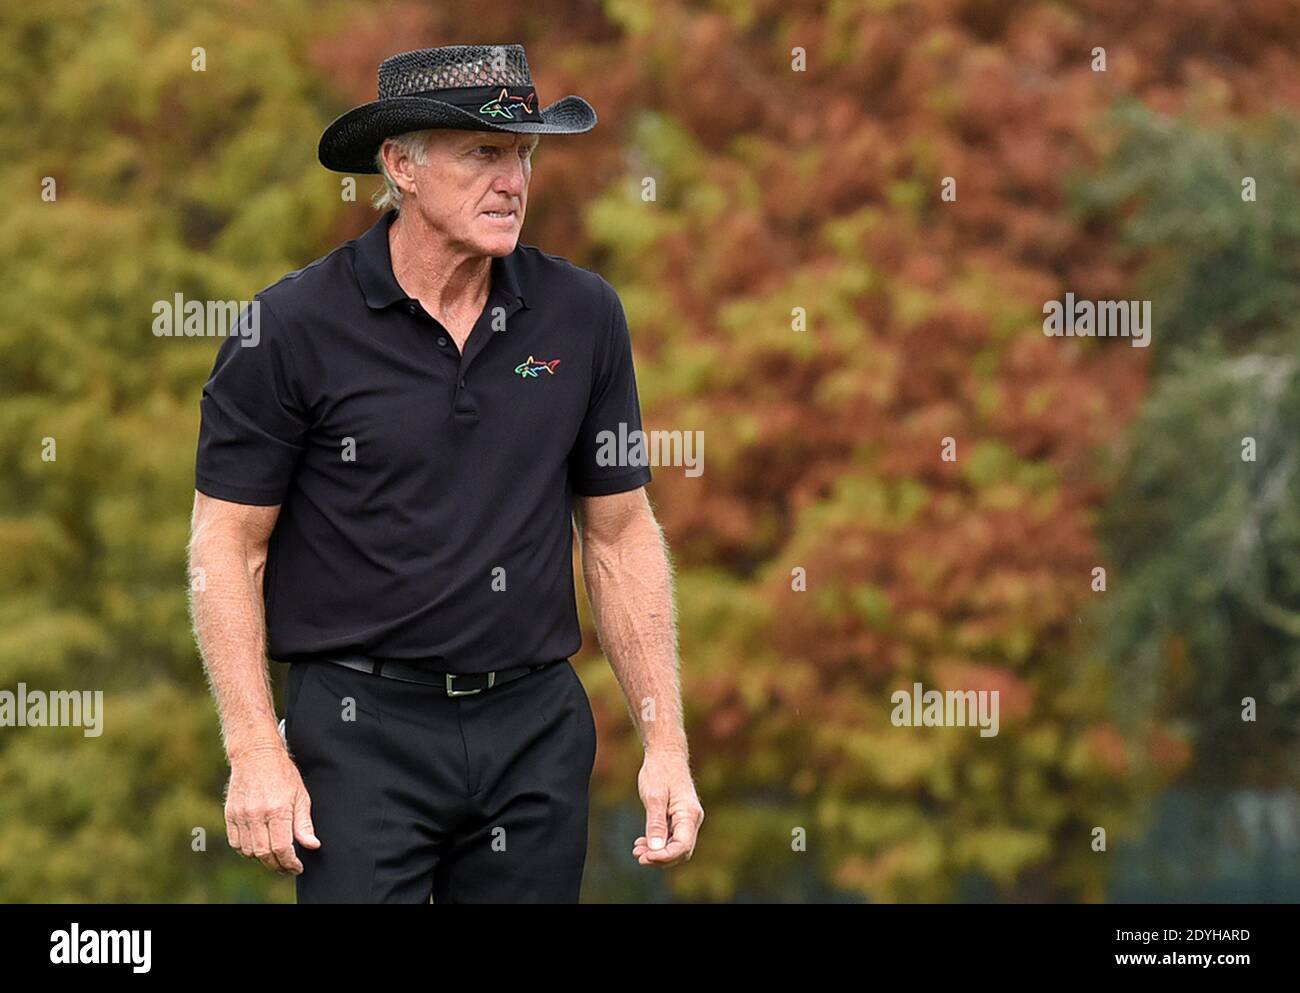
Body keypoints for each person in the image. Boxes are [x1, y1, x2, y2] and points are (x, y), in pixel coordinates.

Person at [188, 43, 703, 903]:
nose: (514, 181)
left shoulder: (583, 315)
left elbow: (618, 535)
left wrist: (668, 743)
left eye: (524, 154)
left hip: (534, 731)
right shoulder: (288, 327)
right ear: (402, 166)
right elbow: (227, 545)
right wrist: (252, 751)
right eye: (484, 153)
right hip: (358, 735)